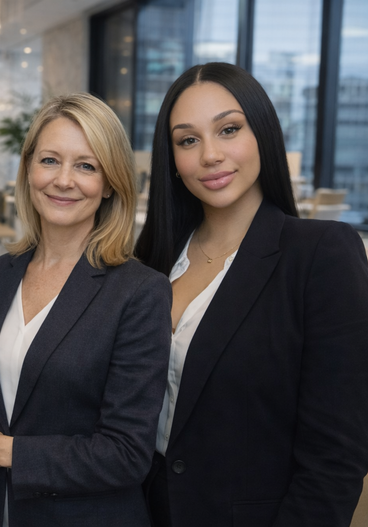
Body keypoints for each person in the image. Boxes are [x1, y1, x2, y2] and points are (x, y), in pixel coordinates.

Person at [135, 62, 368, 527]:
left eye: (228, 129)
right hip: (140, 510)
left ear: (262, 131)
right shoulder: (152, 260)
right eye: (188, 140)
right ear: (172, 160)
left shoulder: (321, 254)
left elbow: (335, 458)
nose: (210, 155)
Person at [0, 93, 172, 527]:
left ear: (112, 182)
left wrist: (8, 452)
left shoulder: (139, 292)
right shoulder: (0, 273)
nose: (63, 180)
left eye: (86, 166)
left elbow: (127, 454)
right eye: (49, 160)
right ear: (27, 169)